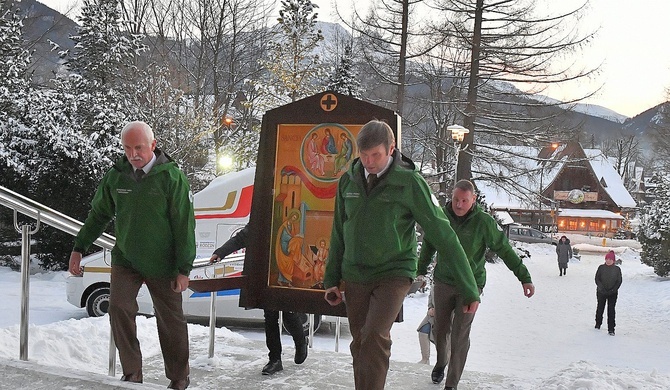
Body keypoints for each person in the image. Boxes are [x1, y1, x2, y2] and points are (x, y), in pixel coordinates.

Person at [323, 120, 480, 390]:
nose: (369, 162)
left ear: (391, 149)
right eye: (364, 155)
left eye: (376, 155)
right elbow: (339, 230)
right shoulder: (348, 180)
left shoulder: (409, 182)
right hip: (356, 272)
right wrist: (331, 278)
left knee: (374, 335)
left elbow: (443, 234)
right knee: (360, 341)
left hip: (394, 272)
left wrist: (469, 288)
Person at [68, 121, 195, 390]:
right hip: (126, 258)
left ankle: (179, 376)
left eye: (138, 147)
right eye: (127, 148)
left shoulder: (171, 178)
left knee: (171, 320)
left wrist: (184, 268)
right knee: (118, 308)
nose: (133, 154)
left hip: (164, 261)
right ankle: (132, 372)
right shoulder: (117, 176)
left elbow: (184, 225)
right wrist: (79, 247)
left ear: (153, 144)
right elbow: (99, 214)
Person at [418, 179, 534, 389]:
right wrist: (419, 271)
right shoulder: (441, 217)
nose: (459, 205)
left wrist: (524, 276)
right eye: (456, 200)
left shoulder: (484, 222)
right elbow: (428, 245)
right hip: (443, 281)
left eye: (464, 200)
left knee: (460, 334)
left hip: (470, 286)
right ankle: (441, 361)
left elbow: (504, 249)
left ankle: (451, 383)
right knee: (441, 330)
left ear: (473, 201)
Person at [209, 224, 309, 375]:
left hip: (286, 275)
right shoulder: (260, 218)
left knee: (289, 313)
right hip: (265, 276)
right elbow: (240, 239)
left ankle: (301, 342)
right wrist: (220, 253)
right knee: (270, 316)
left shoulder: (286, 225)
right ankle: (275, 359)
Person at [595, 250, 622, 336]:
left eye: (610, 259)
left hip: (612, 293)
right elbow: (597, 279)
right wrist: (601, 288)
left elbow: (619, 281)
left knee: (611, 310)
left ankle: (611, 329)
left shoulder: (617, 269)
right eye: (607, 259)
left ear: (613, 260)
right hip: (601, 292)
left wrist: (613, 290)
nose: (608, 261)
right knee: (600, 308)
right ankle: (598, 324)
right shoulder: (601, 267)